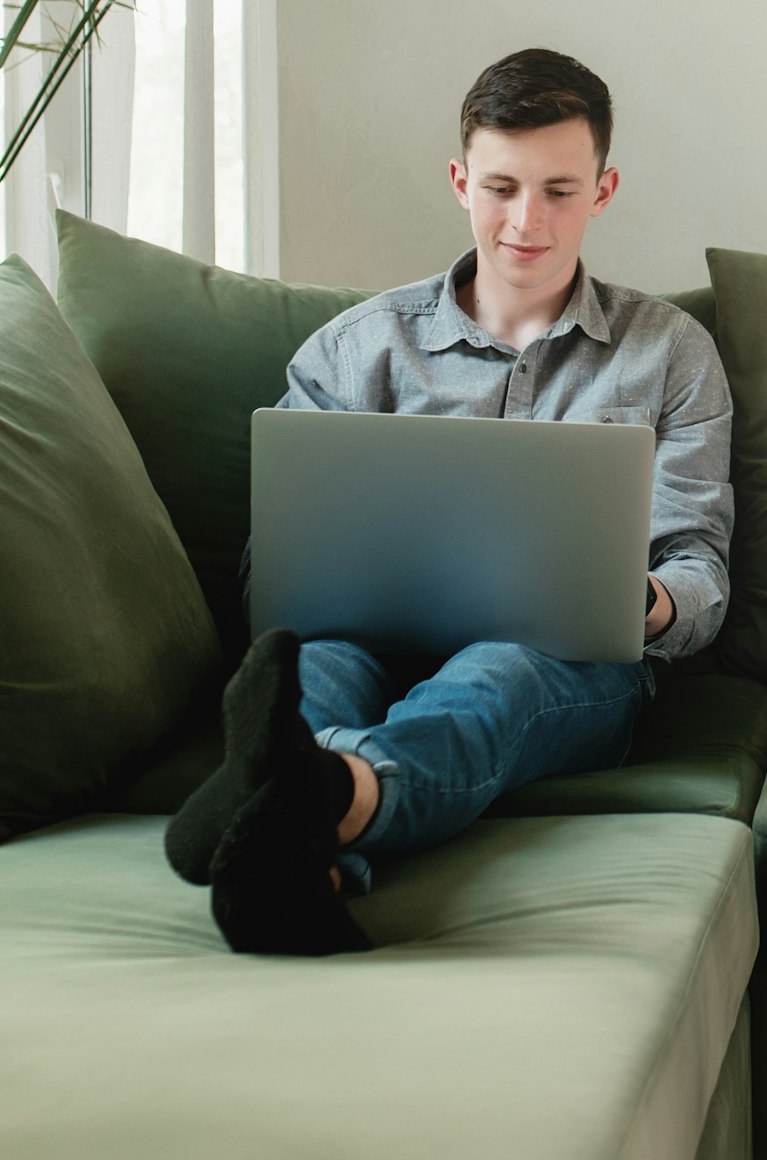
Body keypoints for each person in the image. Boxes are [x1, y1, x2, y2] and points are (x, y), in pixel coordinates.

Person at [162, 47, 733, 956]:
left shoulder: (669, 352)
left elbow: (699, 567)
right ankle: (301, 862)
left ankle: (321, 796)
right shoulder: (355, 350)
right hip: (363, 639)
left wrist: (649, 599)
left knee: (492, 678)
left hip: (561, 663)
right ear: (462, 180)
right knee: (308, 675)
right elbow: (273, 560)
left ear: (604, 188)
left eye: (558, 190)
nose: (526, 221)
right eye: (501, 187)